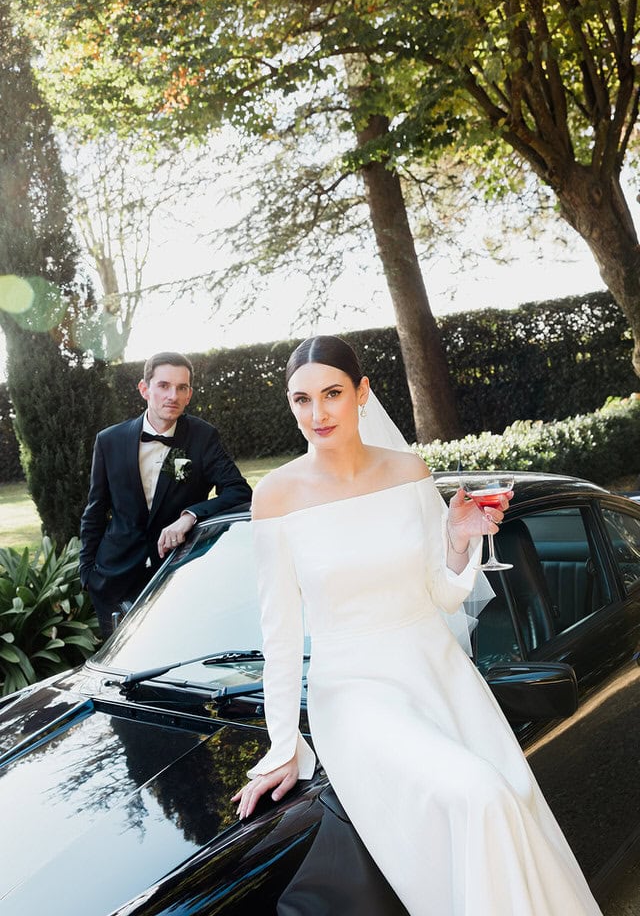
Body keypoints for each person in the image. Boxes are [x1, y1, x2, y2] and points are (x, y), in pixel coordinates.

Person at [233, 335, 602, 915]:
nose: (318, 413)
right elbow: (278, 633)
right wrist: (284, 744)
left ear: (362, 393)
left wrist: (458, 539)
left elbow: (443, 592)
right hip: (355, 694)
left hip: (440, 673)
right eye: (301, 399)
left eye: (332, 394)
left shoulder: (409, 471)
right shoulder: (277, 496)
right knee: (479, 795)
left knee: (512, 800)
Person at [80, 351, 252, 637]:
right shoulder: (109, 440)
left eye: (181, 388)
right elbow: (95, 510)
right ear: (144, 389)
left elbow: (238, 491)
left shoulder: (203, 436)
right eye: (163, 385)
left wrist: (191, 515)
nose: (172, 395)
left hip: (178, 575)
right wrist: (87, 573)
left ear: (189, 394)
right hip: (114, 580)